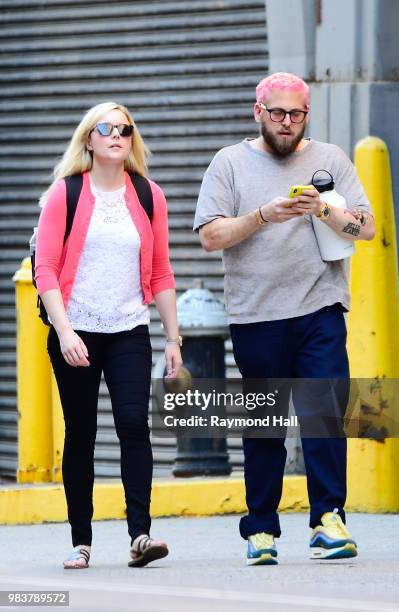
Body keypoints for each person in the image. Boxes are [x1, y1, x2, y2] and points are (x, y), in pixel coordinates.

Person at [194, 72, 375, 565]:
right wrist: (262, 216)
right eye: (277, 113)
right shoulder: (229, 163)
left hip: (321, 307)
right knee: (265, 425)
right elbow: (209, 236)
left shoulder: (332, 159)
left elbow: (367, 227)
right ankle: (261, 528)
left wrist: (326, 212)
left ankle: (327, 519)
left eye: (296, 114)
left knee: (324, 417)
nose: (287, 122)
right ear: (258, 111)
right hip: (257, 314)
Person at [35, 101, 183, 569]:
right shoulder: (66, 193)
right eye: (106, 128)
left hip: (128, 330)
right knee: (81, 433)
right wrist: (64, 331)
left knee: (133, 425)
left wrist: (174, 338)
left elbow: (160, 271)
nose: (117, 135)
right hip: (75, 329)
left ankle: (140, 535)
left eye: (125, 129)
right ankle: (81, 540)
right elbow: (47, 270)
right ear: (89, 139)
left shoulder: (147, 194)